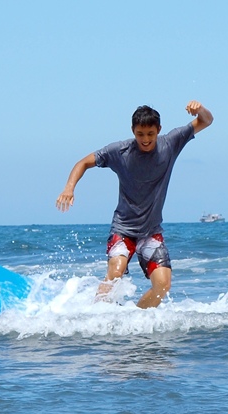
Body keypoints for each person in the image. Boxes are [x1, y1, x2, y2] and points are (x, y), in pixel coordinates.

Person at [56, 100, 213, 308]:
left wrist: (199, 109)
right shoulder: (119, 152)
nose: (145, 139)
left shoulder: (171, 143)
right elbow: (83, 162)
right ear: (133, 131)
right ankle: (93, 316)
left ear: (159, 130)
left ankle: (136, 319)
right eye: (140, 134)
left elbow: (206, 120)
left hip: (151, 232)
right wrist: (69, 188)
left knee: (163, 285)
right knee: (115, 274)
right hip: (123, 230)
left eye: (150, 134)